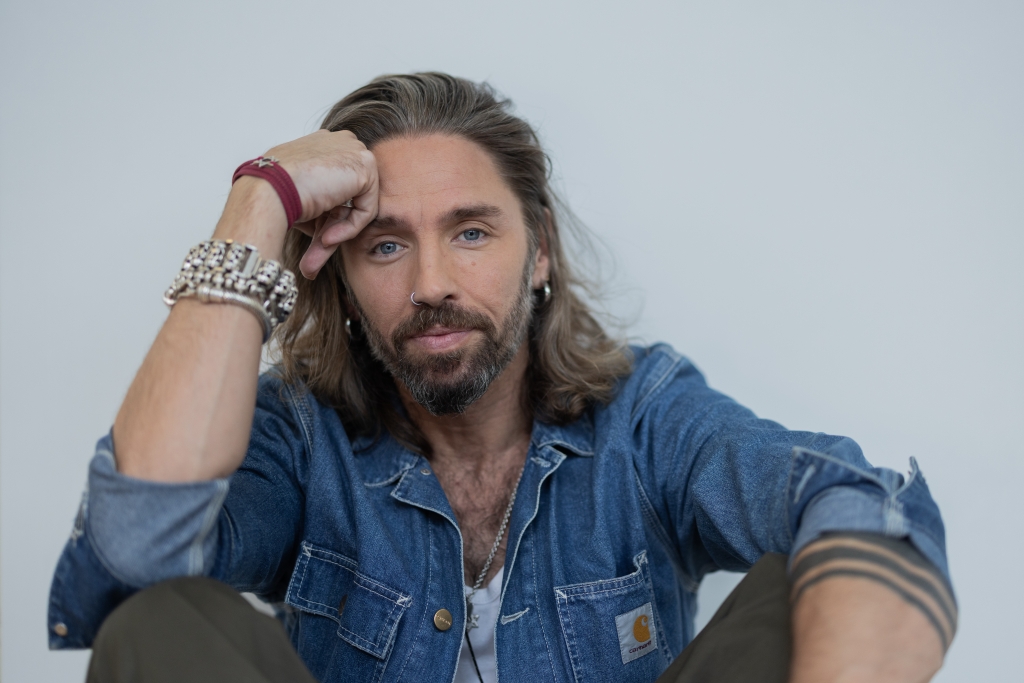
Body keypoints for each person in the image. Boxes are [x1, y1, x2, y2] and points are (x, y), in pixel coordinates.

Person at [48, 73, 956, 683]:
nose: (432, 282)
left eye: (472, 232)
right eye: (386, 245)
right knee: (159, 617)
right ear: (342, 279)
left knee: (825, 573)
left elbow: (858, 504)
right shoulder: (302, 435)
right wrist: (261, 202)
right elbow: (137, 553)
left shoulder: (644, 416)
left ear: (540, 253)